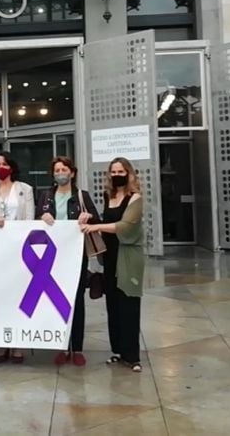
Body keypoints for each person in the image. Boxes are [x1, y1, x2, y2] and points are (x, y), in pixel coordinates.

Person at [80, 157, 145, 373]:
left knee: (129, 303)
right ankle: (117, 350)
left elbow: (125, 226)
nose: (117, 175)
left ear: (129, 173)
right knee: (113, 306)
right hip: (109, 257)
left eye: (121, 171)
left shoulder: (135, 198)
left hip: (127, 256)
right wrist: (91, 220)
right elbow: (103, 220)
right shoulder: (109, 196)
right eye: (113, 172)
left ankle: (132, 355)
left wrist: (96, 226)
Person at [35, 156, 100, 367]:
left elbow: (96, 221)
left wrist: (87, 217)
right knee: (58, 302)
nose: (60, 173)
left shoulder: (82, 196)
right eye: (56, 170)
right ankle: (62, 346)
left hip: (76, 256)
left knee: (77, 300)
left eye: (64, 169)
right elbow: (35, 222)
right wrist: (41, 216)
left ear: (72, 173)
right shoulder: (46, 196)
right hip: (52, 258)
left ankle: (78, 348)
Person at [0, 151, 35, 364]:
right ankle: (1, 343)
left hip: (19, 250)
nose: (0, 167)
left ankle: (17, 343)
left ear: (11, 166)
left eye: (3, 163)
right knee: (0, 295)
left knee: (18, 296)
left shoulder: (25, 189)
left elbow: (29, 218)